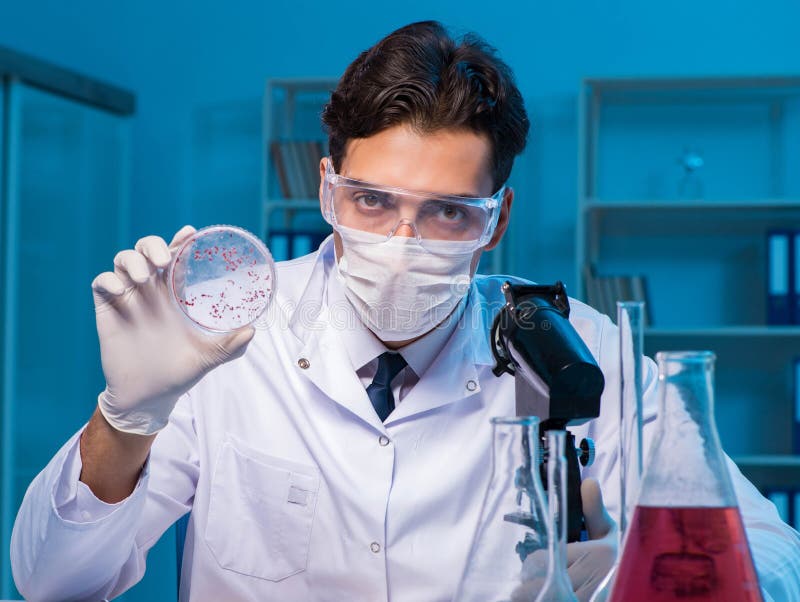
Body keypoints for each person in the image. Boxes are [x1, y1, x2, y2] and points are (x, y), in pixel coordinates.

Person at [10, 20, 800, 602]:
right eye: (372, 201)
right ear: (327, 188)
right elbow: (50, 585)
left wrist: (627, 558)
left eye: (449, 213)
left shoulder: (577, 351)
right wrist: (129, 416)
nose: (402, 240)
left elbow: (772, 557)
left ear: (499, 217)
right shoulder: (222, 333)